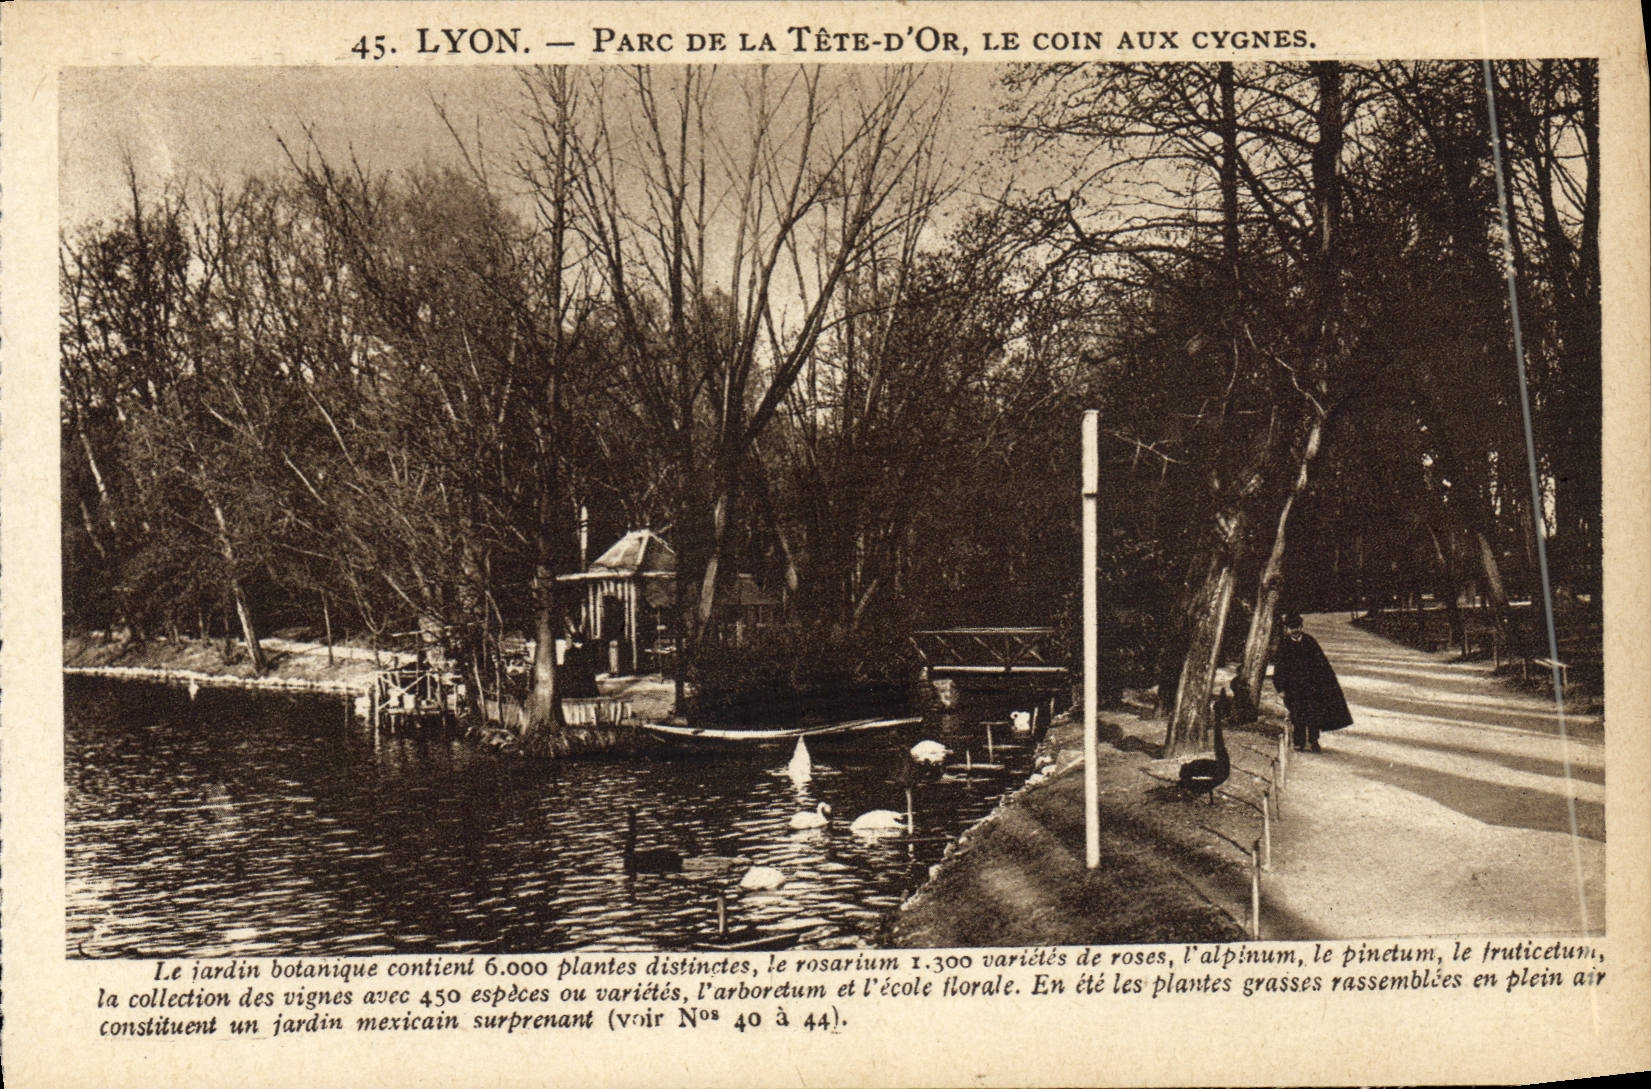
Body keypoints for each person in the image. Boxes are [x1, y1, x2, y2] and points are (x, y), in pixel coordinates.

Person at [1272, 612, 1353, 752]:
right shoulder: (1284, 645)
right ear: (1287, 629)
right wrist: (1281, 688)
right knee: (1297, 715)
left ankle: (1314, 741)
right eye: (1291, 628)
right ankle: (1299, 742)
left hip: (1311, 687)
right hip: (1293, 688)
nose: (1295, 630)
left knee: (1313, 714)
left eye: (1297, 627)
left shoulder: (1310, 642)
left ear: (1301, 626)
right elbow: (1279, 668)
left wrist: (1324, 685)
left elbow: (1322, 664)